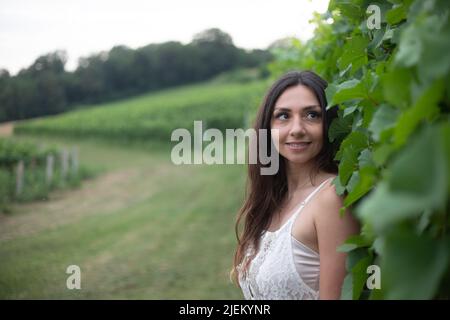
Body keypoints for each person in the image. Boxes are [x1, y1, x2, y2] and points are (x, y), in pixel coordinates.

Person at [230, 70, 360, 300]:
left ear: (328, 123)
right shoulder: (275, 198)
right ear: (267, 128)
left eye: (312, 115)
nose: (297, 129)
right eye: (283, 116)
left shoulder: (331, 199)